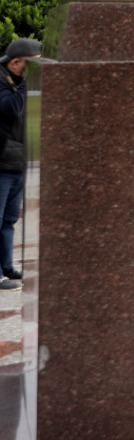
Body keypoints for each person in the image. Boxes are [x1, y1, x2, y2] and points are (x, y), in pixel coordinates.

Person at [0, 39, 44, 291]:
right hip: (2, 162)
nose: (36, 71)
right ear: (16, 62)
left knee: (8, 220)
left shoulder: (18, 81)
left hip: (19, 162)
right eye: (32, 66)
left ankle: (6, 267)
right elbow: (10, 110)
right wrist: (29, 82)